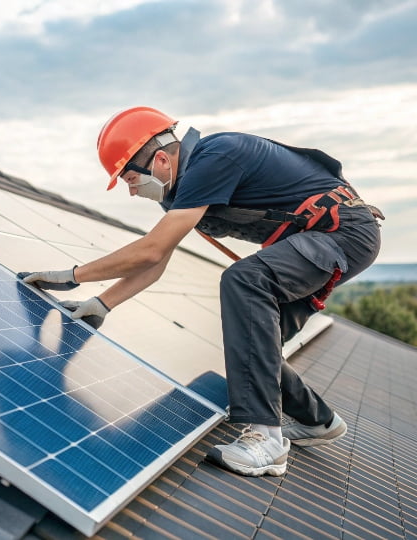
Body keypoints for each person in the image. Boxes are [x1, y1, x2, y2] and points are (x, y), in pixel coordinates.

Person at [21, 106, 382, 477]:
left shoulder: (216, 157)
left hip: (344, 233)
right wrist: (101, 303)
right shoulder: (180, 189)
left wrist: (74, 275)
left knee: (244, 280)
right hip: (319, 240)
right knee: (255, 343)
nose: (131, 191)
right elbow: (156, 262)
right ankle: (317, 421)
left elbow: (150, 249)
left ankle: (267, 440)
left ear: (161, 159)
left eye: (131, 178)